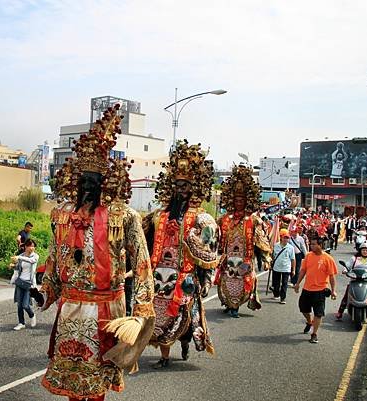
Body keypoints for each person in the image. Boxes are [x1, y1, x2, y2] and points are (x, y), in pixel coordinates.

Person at [40, 105, 155, 401]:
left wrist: (141, 311)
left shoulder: (123, 216)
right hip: (70, 307)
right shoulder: (62, 214)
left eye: (94, 180)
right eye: (83, 180)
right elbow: (54, 256)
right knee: (72, 378)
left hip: (106, 308)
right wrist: (46, 290)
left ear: (105, 182)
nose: (88, 185)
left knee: (98, 378)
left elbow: (142, 264)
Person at [143, 141, 217, 368]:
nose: (181, 189)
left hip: (184, 279)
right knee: (158, 318)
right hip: (158, 278)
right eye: (177, 185)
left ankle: (184, 342)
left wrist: (206, 280)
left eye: (185, 185)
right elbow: (143, 244)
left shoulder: (203, 219)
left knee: (182, 317)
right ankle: (164, 356)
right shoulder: (158, 216)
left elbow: (209, 255)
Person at [215, 165, 271, 318]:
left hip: (245, 259)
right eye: (236, 199)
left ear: (247, 201)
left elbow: (261, 240)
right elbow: (215, 237)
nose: (239, 202)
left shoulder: (253, 221)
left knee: (241, 282)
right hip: (227, 259)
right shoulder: (224, 219)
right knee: (226, 281)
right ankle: (228, 303)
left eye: (242, 200)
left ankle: (235, 307)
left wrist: (266, 258)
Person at [294, 231, 338, 344]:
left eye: (314, 244)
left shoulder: (328, 259)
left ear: (320, 245)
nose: (311, 246)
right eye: (311, 244)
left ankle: (314, 334)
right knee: (303, 309)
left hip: (320, 291)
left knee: (318, 313)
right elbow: (303, 270)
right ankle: (309, 322)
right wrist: (297, 283)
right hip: (307, 289)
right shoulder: (308, 256)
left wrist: (333, 291)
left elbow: (332, 276)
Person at [334, 243, 367, 321]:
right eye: (363, 250)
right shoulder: (354, 259)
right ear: (360, 250)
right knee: (346, 296)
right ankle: (340, 312)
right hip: (354, 280)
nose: (365, 252)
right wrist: (345, 270)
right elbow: (348, 265)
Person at [12, 238, 39, 330]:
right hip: (20, 282)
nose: (31, 248)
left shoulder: (35, 256)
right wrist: (13, 266)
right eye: (29, 246)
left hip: (29, 284)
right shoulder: (21, 256)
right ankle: (21, 323)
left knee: (25, 305)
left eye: (33, 246)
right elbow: (18, 268)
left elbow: (31, 261)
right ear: (25, 246)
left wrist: (19, 257)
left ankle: (32, 315)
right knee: (19, 304)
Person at [270, 229, 296, 304]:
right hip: (276, 267)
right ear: (281, 237)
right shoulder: (276, 245)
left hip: (286, 268)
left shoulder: (290, 247)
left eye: (287, 238)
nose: (286, 239)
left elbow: (293, 259)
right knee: (276, 283)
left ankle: (283, 298)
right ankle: (276, 294)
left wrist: (293, 270)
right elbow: (272, 256)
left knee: (284, 284)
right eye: (284, 237)